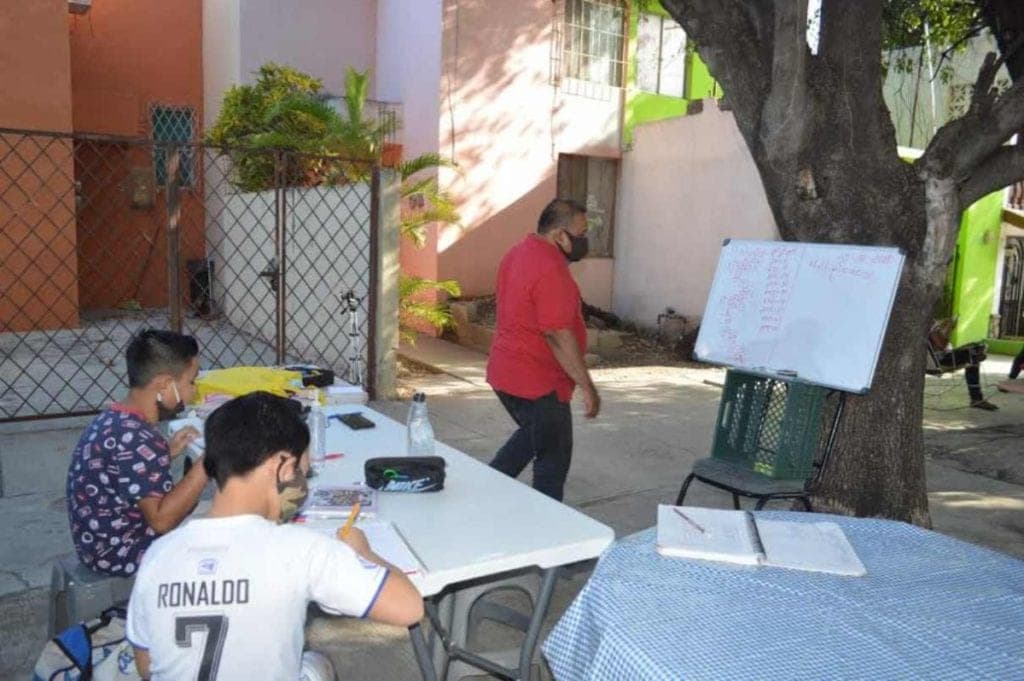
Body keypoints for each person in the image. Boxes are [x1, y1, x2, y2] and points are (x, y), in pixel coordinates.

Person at [125, 392, 424, 680]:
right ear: (281, 466)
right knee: (316, 663)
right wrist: (363, 552)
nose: (300, 482)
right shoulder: (301, 551)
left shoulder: (158, 556)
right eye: (300, 471)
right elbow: (409, 608)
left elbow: (147, 666)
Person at [486, 198, 601, 501]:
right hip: (537, 383)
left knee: (532, 439)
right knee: (553, 461)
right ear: (559, 235)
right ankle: (549, 530)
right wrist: (587, 386)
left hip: (506, 373)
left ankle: (483, 492)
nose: (584, 241)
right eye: (581, 233)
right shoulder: (551, 268)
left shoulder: (518, 253)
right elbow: (557, 334)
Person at [66, 329, 206, 576]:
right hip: (123, 553)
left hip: (98, 543)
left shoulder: (116, 418)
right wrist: (208, 463)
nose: (193, 391)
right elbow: (162, 521)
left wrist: (166, 451)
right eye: (191, 381)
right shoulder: (138, 439)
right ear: (164, 384)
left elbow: (125, 469)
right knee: (228, 536)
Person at [928, 318, 998, 410]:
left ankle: (976, 398)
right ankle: (976, 398)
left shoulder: (929, 324)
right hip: (943, 360)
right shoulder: (929, 326)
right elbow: (942, 345)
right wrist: (948, 330)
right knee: (974, 353)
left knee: (974, 351)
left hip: (945, 356)